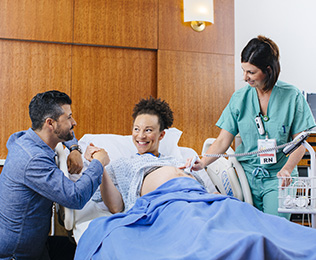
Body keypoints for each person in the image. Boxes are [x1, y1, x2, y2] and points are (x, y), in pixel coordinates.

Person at [186, 35, 316, 219]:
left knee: (273, 228)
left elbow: (301, 142)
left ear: (268, 70)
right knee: (247, 229)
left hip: (279, 177)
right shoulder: (239, 98)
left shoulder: (291, 96)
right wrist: (203, 162)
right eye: (244, 70)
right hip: (246, 176)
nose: (245, 77)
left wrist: (287, 169)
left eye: (251, 72)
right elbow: (223, 140)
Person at [0, 90, 109, 260]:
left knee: (81, 248)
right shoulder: (34, 160)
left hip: (34, 244)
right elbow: (75, 197)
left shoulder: (25, 139)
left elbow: (64, 134)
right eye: (69, 117)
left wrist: (74, 149)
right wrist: (98, 163)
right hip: (18, 254)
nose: (74, 122)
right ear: (50, 123)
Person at [85, 96, 214, 213]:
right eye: (136, 129)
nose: (140, 136)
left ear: (161, 135)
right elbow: (116, 207)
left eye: (148, 130)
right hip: (168, 204)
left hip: (197, 197)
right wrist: (99, 164)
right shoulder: (122, 165)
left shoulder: (176, 160)